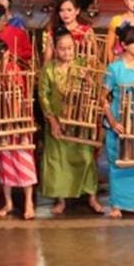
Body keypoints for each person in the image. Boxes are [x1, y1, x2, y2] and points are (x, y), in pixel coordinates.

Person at [0, 2, 38, 220]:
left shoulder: (14, 69)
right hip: (0, 120)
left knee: (24, 157)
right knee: (5, 162)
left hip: (18, 119)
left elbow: (22, 84)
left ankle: (29, 202)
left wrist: (8, 68)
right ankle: (9, 202)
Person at [38, 28, 104, 215]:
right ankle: (60, 199)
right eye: (62, 49)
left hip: (80, 120)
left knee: (85, 157)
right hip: (58, 119)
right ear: (55, 49)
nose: (67, 52)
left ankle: (91, 196)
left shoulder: (82, 64)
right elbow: (44, 96)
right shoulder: (49, 69)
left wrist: (88, 79)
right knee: (58, 160)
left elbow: (96, 89)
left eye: (70, 48)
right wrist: (52, 121)